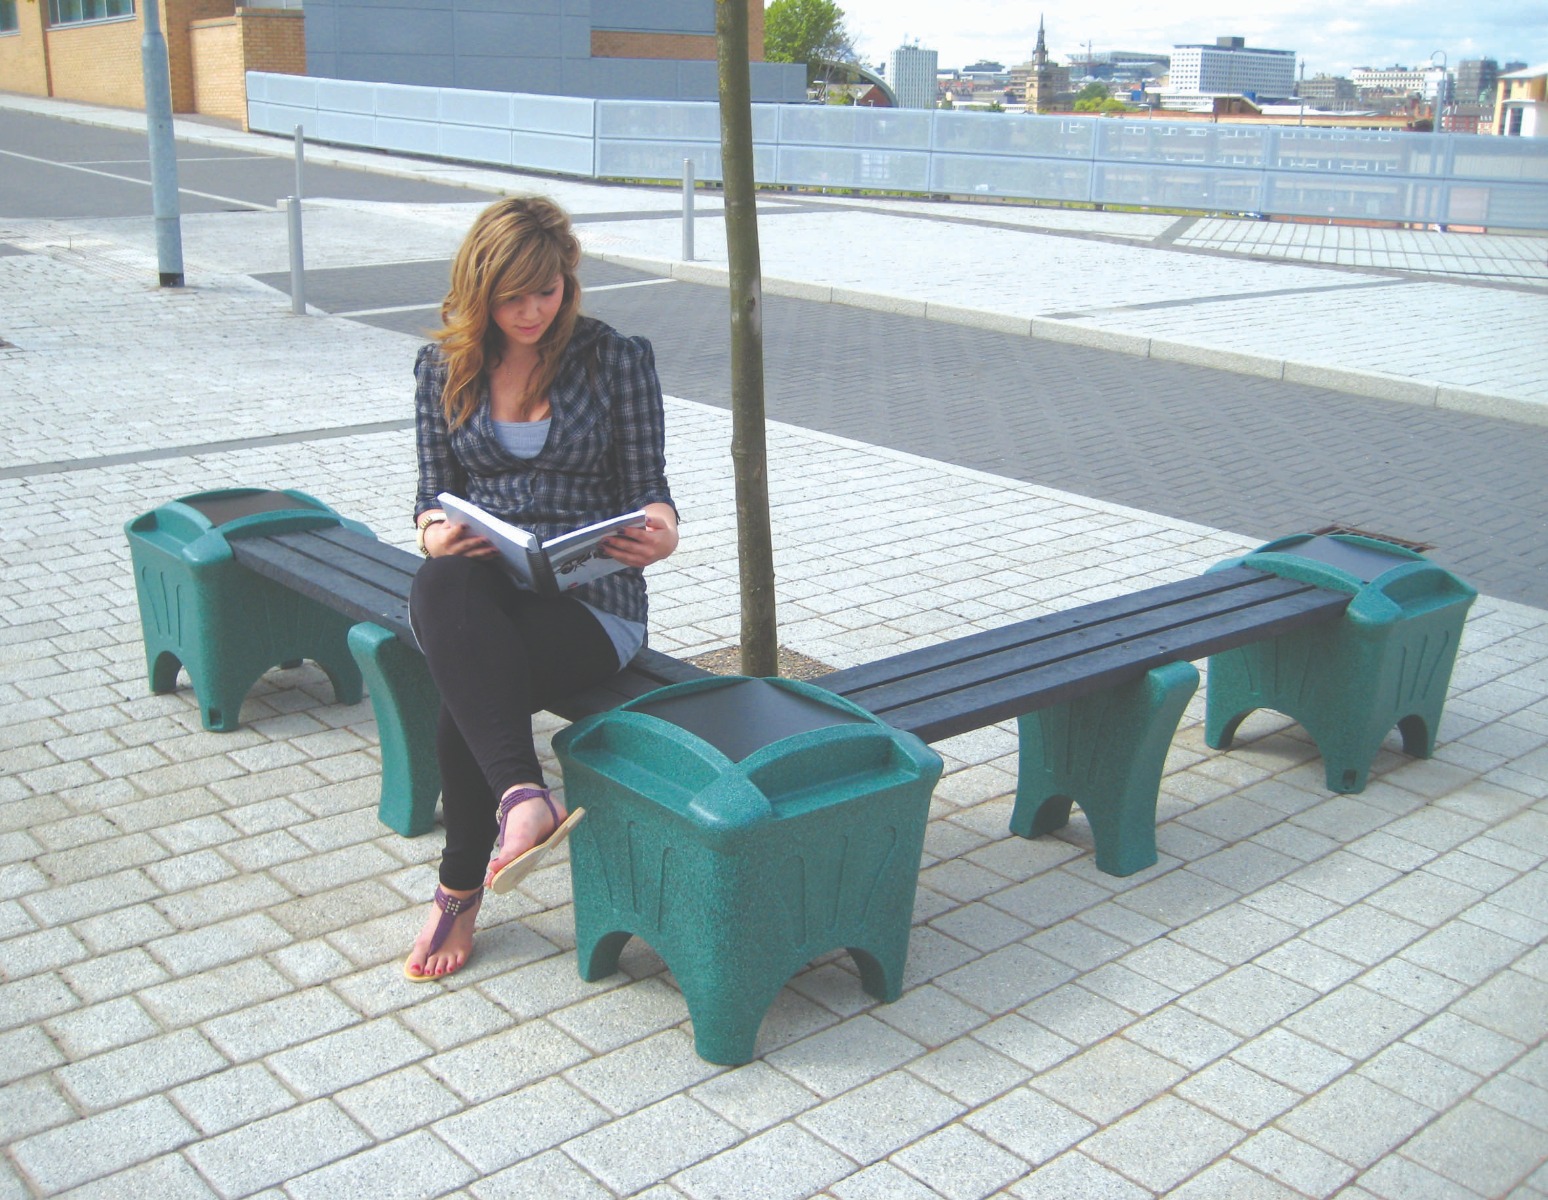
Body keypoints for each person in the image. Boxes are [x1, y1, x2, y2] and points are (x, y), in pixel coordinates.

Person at [403, 196, 679, 982]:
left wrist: (660, 532)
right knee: (441, 578)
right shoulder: (443, 366)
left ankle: (460, 887)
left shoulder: (613, 358)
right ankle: (523, 796)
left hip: (593, 606)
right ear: (479, 288)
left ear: (568, 283)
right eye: (512, 296)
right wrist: (435, 530)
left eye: (547, 291)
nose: (531, 311)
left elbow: (649, 487)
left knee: (471, 684)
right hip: (487, 590)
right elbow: (433, 492)